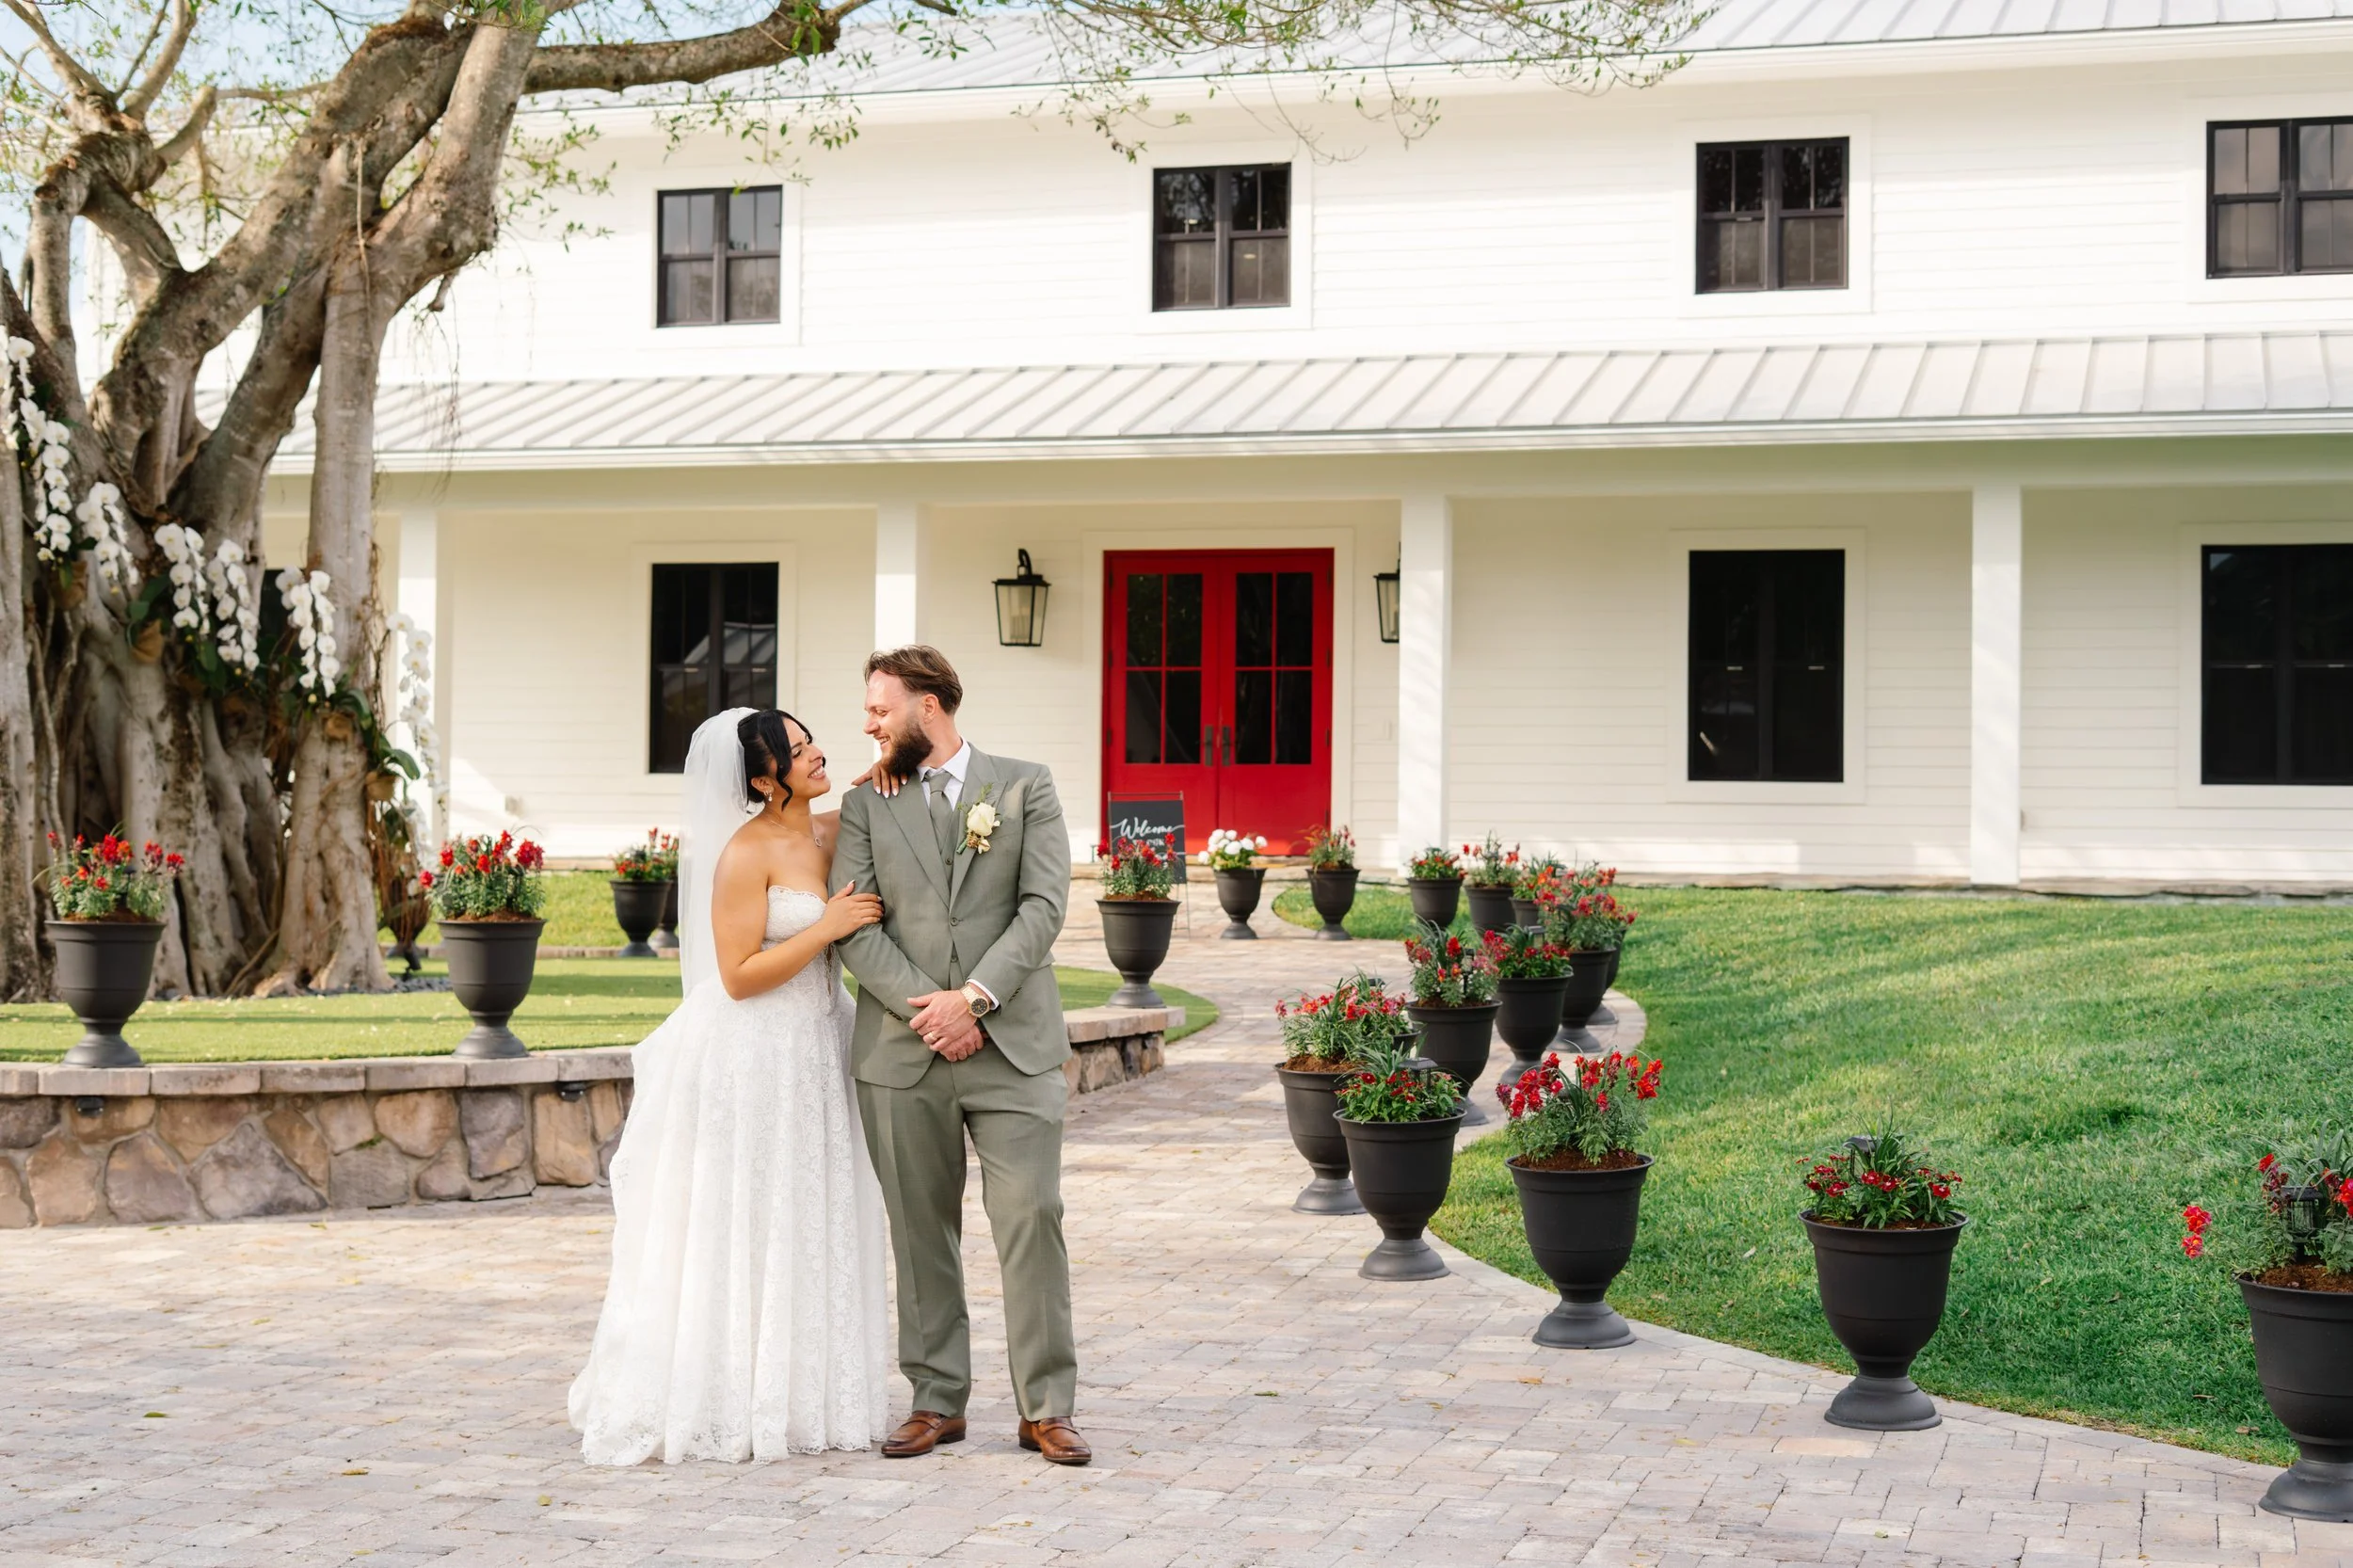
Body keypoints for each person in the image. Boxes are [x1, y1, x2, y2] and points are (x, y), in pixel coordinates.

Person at [568, 708, 893, 1464]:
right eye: (799, 751)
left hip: (818, 1045)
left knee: (809, 1217)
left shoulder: (826, 830)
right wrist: (827, 926)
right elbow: (739, 977)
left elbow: (880, 796)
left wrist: (891, 767)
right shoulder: (745, 854)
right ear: (760, 777)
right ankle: (729, 1394)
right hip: (754, 1056)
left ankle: (804, 1391)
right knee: (747, 1219)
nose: (817, 756)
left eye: (814, 744)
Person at [830, 645, 1088, 1466]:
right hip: (904, 1053)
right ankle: (937, 1399)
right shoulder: (866, 805)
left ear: (929, 707)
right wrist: (929, 1013)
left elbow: (1044, 905)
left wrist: (972, 1000)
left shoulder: (1025, 785)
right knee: (919, 1230)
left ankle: (1046, 1406)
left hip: (1011, 1047)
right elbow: (854, 927)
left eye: (880, 708)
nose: (868, 724)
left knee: (1032, 1218)